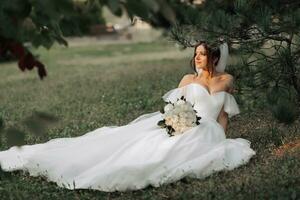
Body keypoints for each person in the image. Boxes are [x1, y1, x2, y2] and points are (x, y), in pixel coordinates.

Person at [0, 41, 256, 192]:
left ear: (213, 57)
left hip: (210, 132)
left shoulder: (226, 80)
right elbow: (174, 107)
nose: (197, 58)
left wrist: (222, 137)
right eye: (195, 53)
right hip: (186, 126)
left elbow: (224, 115)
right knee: (143, 149)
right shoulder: (188, 79)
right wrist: (176, 122)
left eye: (202, 53)